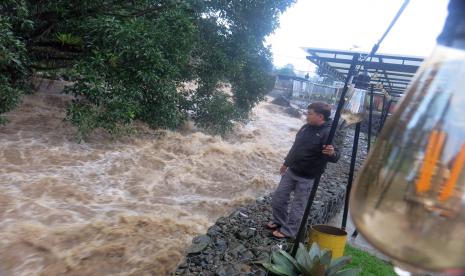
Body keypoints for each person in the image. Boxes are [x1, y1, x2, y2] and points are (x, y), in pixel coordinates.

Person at [267, 101, 340, 238]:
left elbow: (335, 156)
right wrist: (286, 163)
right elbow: (296, 147)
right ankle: (279, 221)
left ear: (320, 116)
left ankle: (289, 231)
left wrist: (332, 153)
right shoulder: (306, 127)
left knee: (298, 206)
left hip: (308, 176)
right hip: (292, 170)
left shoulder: (328, 133)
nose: (306, 116)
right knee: (279, 197)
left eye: (309, 114)